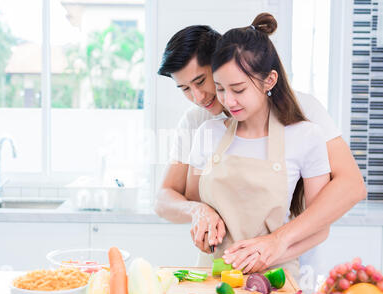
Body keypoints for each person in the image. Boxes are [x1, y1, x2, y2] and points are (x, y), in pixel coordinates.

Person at [155, 19, 366, 275]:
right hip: (223, 270)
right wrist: (198, 212)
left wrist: (276, 243)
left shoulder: (303, 117)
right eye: (185, 89)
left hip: (287, 263)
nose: (197, 97)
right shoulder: (201, 125)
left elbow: (351, 185)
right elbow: (174, 197)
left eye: (201, 81)